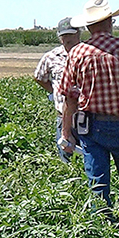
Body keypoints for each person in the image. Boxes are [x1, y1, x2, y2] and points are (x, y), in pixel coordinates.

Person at [58, 0, 119, 238]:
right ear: (111, 21)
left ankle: (103, 236)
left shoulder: (78, 52)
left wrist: (65, 133)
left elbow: (69, 98)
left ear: (89, 26)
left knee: (99, 184)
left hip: (92, 127)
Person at [34, 17, 82, 161]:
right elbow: (39, 77)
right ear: (59, 37)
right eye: (64, 36)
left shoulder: (89, 54)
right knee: (66, 158)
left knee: (90, 160)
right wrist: (54, 91)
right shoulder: (51, 57)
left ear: (78, 34)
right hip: (63, 116)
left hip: (88, 117)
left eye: (71, 35)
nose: (68, 39)